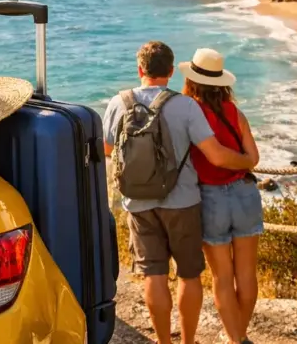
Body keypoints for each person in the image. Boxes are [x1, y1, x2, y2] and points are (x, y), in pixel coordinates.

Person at [103, 41, 257, 344]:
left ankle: (164, 341)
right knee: (189, 274)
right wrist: (248, 162)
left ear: (139, 69)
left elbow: (106, 149)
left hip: (138, 203)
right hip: (183, 200)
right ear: (171, 72)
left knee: (154, 276)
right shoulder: (185, 106)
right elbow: (214, 154)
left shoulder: (118, 102)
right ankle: (188, 341)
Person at [181, 48, 262, 344]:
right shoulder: (235, 113)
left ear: (192, 80)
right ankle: (238, 337)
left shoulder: (189, 112)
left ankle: (237, 339)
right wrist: (239, 164)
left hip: (210, 198)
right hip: (245, 194)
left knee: (222, 278)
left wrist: (222, 161)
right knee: (247, 274)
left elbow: (211, 158)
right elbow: (253, 157)